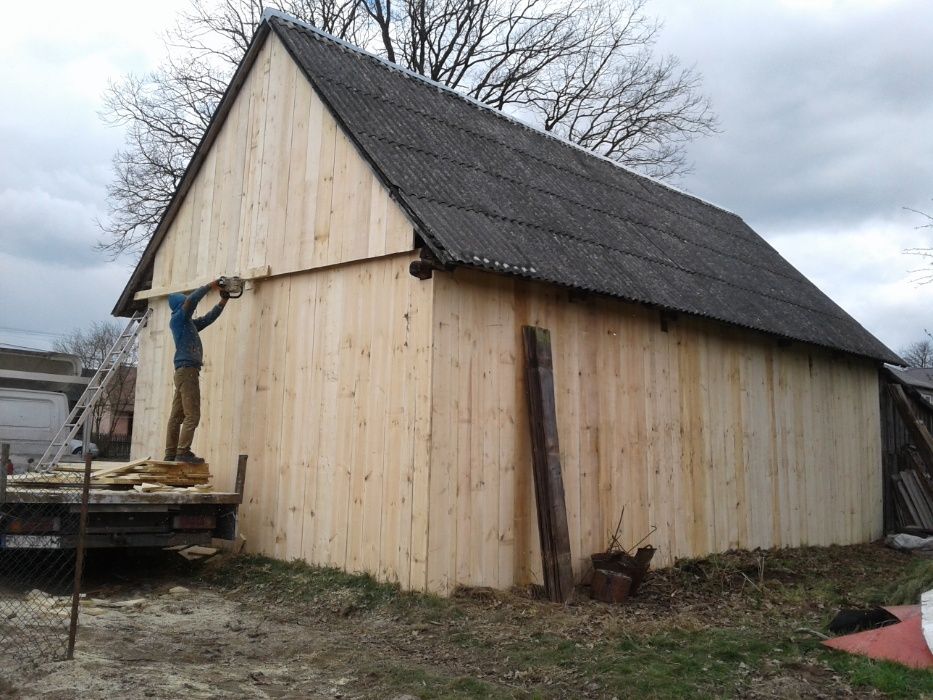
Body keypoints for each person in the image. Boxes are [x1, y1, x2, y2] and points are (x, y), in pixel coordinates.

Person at [164, 279, 233, 463]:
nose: (191, 308)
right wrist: (211, 285)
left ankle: (171, 454)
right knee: (192, 415)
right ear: (180, 306)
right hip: (188, 371)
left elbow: (207, 319)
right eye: (186, 304)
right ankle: (182, 453)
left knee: (176, 416)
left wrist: (223, 301)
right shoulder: (179, 318)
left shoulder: (187, 324)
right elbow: (192, 300)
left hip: (183, 372)